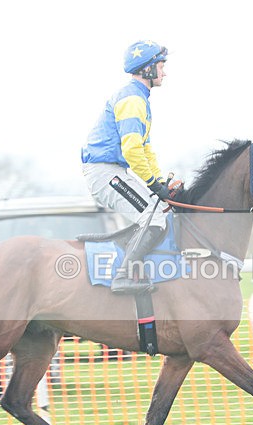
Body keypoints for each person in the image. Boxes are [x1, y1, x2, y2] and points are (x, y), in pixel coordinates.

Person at [81, 39, 172, 294]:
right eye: (161, 66)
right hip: (105, 172)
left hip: (113, 170)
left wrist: (160, 183)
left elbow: (145, 149)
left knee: (159, 212)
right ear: (148, 69)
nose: (164, 72)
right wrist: (153, 184)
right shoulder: (133, 100)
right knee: (154, 218)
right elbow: (132, 151)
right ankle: (123, 276)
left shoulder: (140, 98)